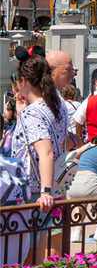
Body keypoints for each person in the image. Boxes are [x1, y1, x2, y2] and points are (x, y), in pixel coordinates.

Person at [12, 56, 67, 211]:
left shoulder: (33, 113)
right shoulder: (57, 104)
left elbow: (46, 152)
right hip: (55, 181)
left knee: (28, 234)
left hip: (33, 190)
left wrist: (45, 192)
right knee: (45, 234)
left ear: (23, 81)